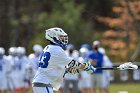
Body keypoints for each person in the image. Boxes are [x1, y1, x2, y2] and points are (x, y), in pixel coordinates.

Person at [32, 27, 95, 93]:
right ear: (54, 38)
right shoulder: (57, 50)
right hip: (44, 83)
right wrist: (86, 67)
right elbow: (73, 63)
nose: (63, 39)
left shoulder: (47, 47)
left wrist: (67, 70)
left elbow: (53, 66)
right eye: (61, 37)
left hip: (40, 82)